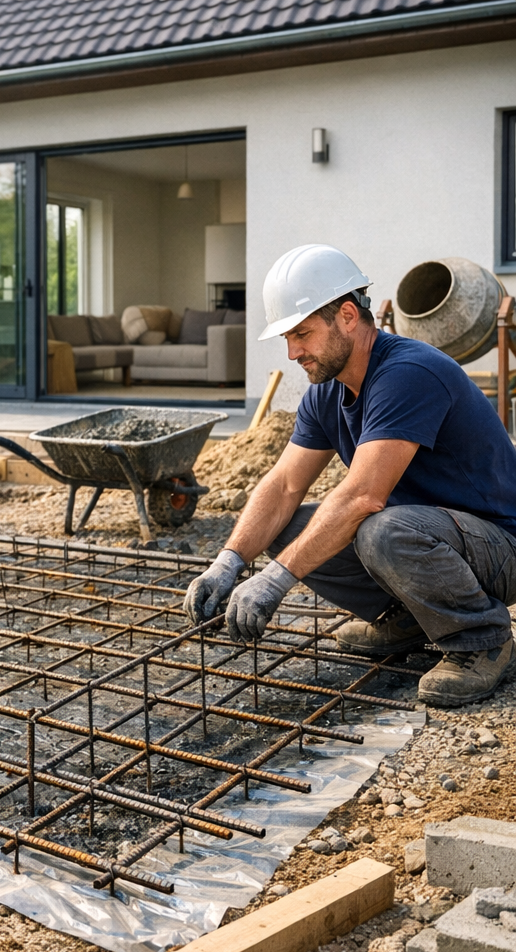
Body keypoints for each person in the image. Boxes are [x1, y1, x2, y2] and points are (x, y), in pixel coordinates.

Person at [184, 243, 516, 708]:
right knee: (288, 525)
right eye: (287, 338)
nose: (293, 351)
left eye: (301, 333)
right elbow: (283, 486)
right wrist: (230, 561)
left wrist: (275, 581)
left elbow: (362, 496)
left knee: (382, 528)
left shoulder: (408, 373)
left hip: (501, 547)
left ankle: (482, 639)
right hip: (434, 540)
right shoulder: (328, 392)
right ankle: (408, 618)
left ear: (346, 316)